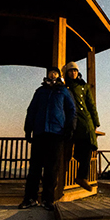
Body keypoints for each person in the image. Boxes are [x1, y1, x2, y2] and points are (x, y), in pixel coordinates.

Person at [19, 67, 77, 211]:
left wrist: (70, 128)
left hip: (56, 133)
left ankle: (47, 199)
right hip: (40, 132)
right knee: (35, 168)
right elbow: (31, 109)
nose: (53, 74)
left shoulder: (63, 91)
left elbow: (71, 110)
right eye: (51, 73)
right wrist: (28, 129)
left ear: (59, 75)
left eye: (55, 73)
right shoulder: (40, 91)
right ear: (47, 75)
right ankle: (30, 198)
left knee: (52, 168)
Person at [63, 61, 100, 191]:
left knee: (89, 147)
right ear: (67, 73)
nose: (73, 73)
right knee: (75, 150)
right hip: (74, 122)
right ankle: (75, 178)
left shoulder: (84, 86)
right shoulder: (64, 87)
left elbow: (91, 105)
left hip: (87, 122)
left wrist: (96, 122)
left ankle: (81, 177)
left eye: (75, 71)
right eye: (71, 71)